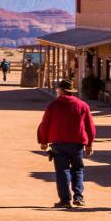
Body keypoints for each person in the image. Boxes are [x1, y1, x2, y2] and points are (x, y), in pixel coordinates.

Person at [37, 78, 96, 208]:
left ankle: (65, 200)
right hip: (77, 144)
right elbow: (90, 126)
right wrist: (89, 144)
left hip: (58, 143)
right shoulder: (83, 105)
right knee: (78, 170)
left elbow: (45, 125)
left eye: (59, 89)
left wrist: (43, 141)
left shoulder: (53, 106)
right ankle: (78, 197)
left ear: (62, 91)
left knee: (62, 171)